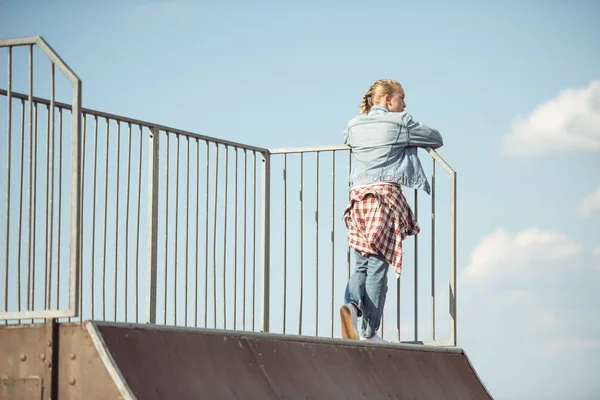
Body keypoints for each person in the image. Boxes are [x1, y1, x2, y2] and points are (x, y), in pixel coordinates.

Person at [340, 79, 443, 342]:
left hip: (357, 200)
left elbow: (347, 140)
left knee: (361, 264)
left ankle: (351, 305)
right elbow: (436, 138)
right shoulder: (400, 123)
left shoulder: (353, 125)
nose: (405, 103)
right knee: (377, 267)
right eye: (401, 97)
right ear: (387, 99)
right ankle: (369, 332)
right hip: (383, 199)